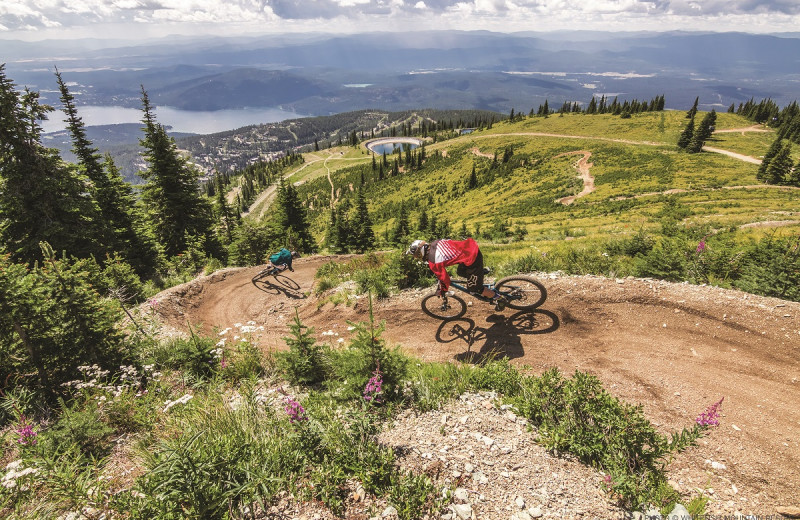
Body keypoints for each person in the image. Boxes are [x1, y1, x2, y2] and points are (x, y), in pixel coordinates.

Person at [405, 238, 506, 310]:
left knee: (474, 289)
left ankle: (499, 298)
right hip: (469, 249)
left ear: (420, 253)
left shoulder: (433, 261)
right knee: (460, 272)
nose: (416, 257)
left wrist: (443, 290)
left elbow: (445, 280)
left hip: (472, 258)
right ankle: (479, 273)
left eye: (416, 255)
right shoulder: (435, 242)